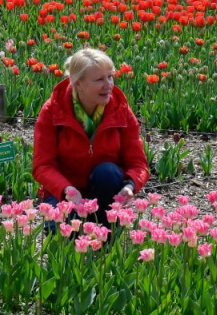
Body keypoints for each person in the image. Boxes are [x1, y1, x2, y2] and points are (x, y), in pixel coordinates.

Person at [32, 48, 149, 221]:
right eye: (99, 79)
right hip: (65, 193)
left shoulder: (120, 109)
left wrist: (130, 185)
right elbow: (42, 166)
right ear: (78, 84)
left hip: (105, 191)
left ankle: (105, 225)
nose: (108, 85)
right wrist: (66, 190)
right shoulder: (54, 110)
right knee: (63, 230)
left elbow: (138, 163)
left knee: (107, 171)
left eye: (110, 77)